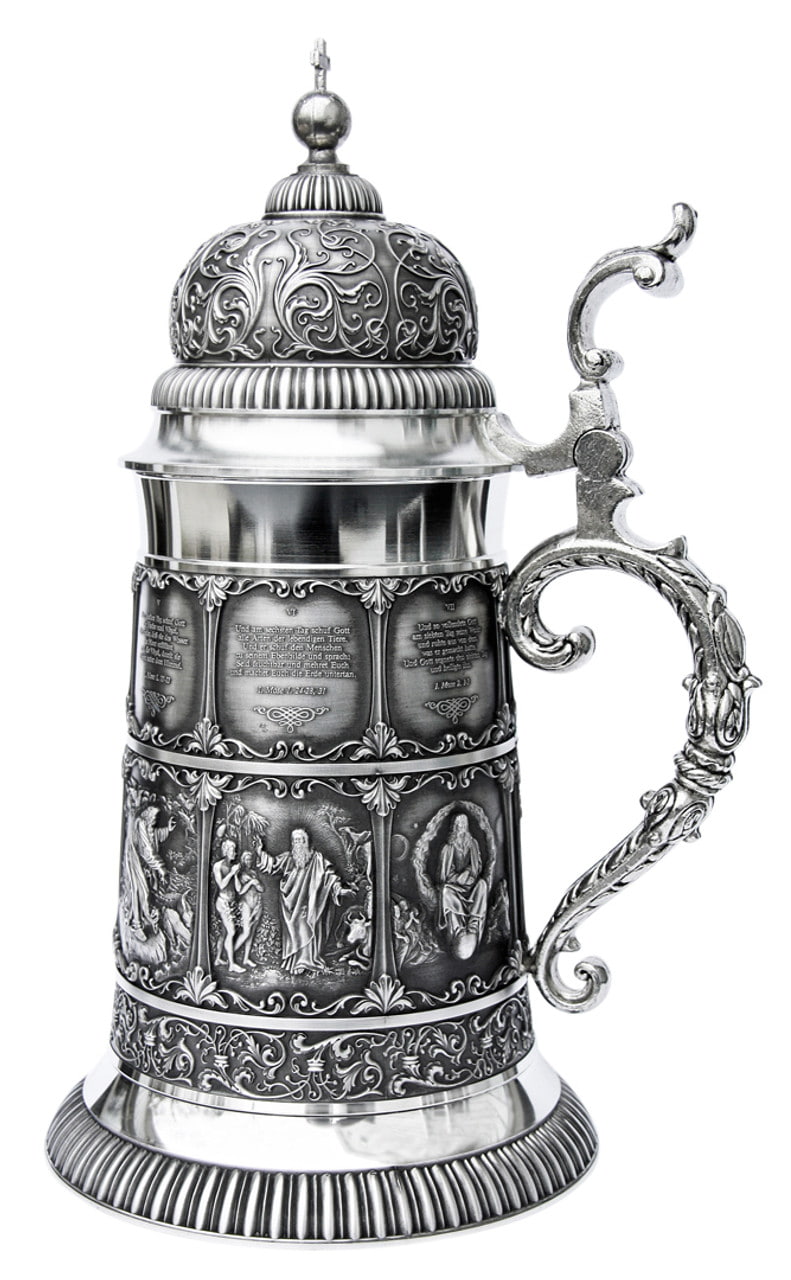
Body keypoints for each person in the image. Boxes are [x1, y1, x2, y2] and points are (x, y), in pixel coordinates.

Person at [262, 828, 353, 974]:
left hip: (310, 903)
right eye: (295, 840)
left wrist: (339, 890)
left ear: (306, 842)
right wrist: (260, 852)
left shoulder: (317, 859)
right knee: (295, 930)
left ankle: (305, 961)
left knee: (307, 925)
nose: (297, 843)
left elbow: (329, 876)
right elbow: (272, 865)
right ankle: (295, 961)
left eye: (300, 840)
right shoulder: (288, 858)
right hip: (291, 904)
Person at [436, 813, 488, 960]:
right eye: (459, 825)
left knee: (482, 885)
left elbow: (476, 866)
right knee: (446, 892)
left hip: (470, 884)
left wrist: (469, 874)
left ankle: (473, 924)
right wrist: (458, 878)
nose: (462, 828)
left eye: (464, 825)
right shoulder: (448, 847)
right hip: (454, 885)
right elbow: (445, 873)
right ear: (454, 827)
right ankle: (458, 929)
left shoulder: (472, 844)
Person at [124, 804, 175, 937]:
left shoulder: (148, 826)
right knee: (140, 891)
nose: (155, 820)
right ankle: (136, 924)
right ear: (148, 816)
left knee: (145, 891)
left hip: (144, 865)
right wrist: (161, 868)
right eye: (154, 818)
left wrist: (167, 829)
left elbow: (154, 836)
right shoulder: (141, 823)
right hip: (136, 862)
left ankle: (146, 919)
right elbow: (146, 850)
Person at [214, 838, 244, 973]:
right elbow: (221, 885)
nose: (235, 853)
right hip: (223, 903)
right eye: (232, 850)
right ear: (226, 851)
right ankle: (231, 964)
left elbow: (238, 889)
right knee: (231, 931)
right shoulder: (218, 866)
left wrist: (236, 875)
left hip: (231, 903)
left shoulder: (233, 866)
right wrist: (231, 873)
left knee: (224, 932)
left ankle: (218, 958)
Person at [234, 849, 266, 967]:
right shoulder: (240, 874)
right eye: (247, 859)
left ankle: (246, 958)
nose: (249, 861)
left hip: (257, 904)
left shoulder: (253, 873)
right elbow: (240, 891)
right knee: (246, 932)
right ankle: (230, 955)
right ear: (243, 860)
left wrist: (257, 884)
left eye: (250, 859)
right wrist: (251, 883)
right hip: (246, 904)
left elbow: (262, 889)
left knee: (251, 932)